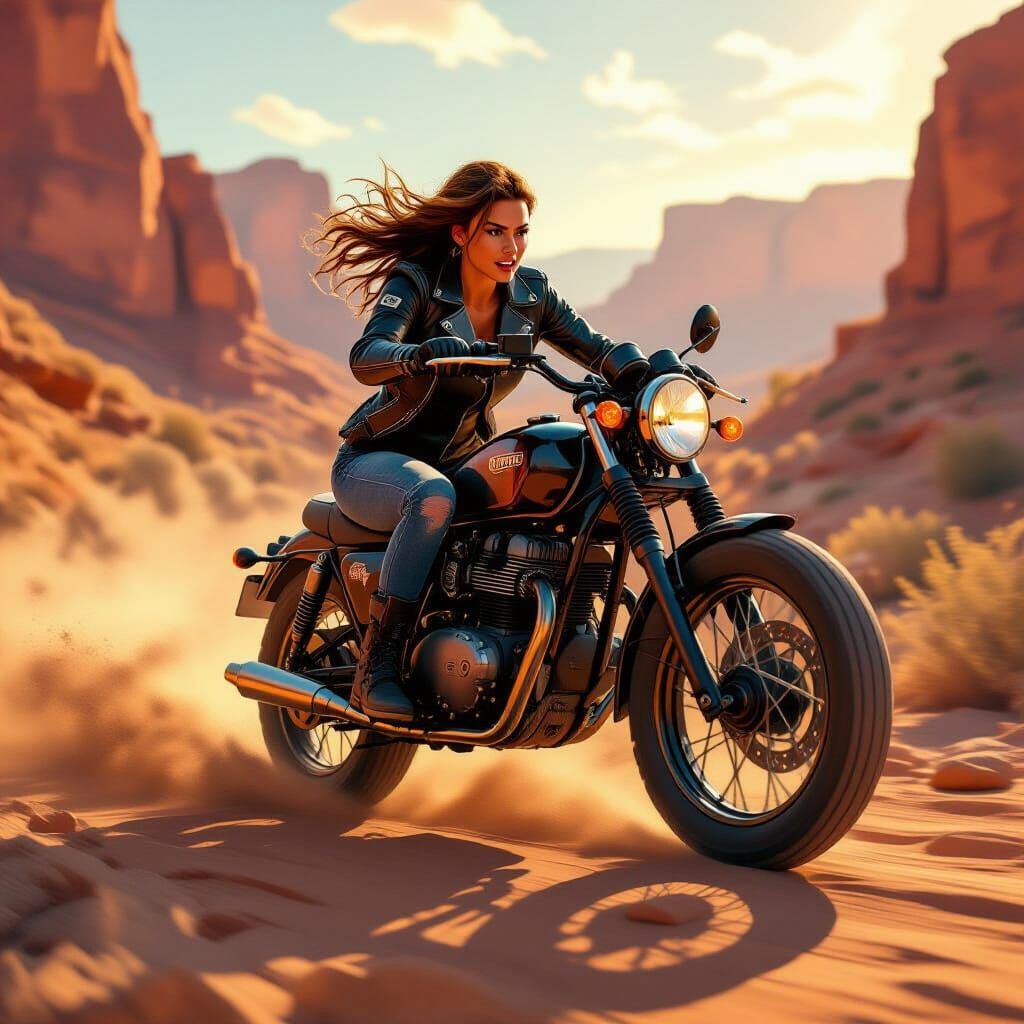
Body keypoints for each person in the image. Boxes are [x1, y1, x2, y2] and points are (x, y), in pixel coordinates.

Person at [309, 160, 706, 722]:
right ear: (461, 232)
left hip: (461, 459)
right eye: (496, 231)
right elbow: (366, 356)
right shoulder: (418, 281)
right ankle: (378, 668)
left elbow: (595, 346)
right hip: (378, 461)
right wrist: (415, 355)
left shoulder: (530, 295)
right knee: (433, 497)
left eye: (521, 232)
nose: (511, 246)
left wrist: (649, 376)